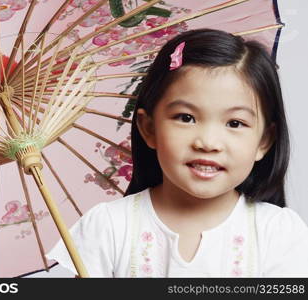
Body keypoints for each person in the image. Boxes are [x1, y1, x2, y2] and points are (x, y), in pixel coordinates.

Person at [45, 28, 308, 277]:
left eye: (234, 123)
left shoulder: (278, 233)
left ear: (264, 141)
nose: (207, 142)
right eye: (186, 117)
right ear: (149, 128)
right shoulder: (108, 228)